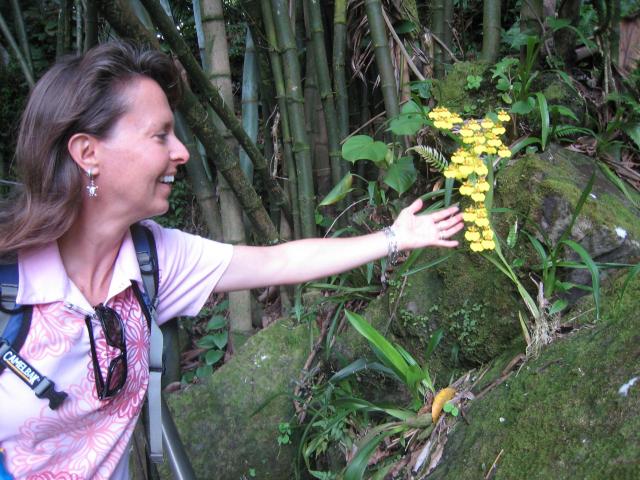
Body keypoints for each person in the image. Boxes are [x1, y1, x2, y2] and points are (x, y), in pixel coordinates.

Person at [0, 41, 463, 479]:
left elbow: (280, 263)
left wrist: (395, 237)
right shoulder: (9, 283)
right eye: (160, 135)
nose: (181, 152)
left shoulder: (151, 259)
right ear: (88, 153)